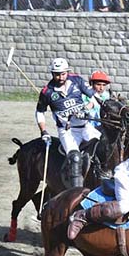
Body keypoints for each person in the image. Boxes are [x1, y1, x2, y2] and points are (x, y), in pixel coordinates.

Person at [35, 58, 98, 189]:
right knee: (75, 158)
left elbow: (93, 98)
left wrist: (86, 108)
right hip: (67, 131)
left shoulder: (77, 80)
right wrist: (44, 131)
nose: (60, 77)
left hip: (86, 126)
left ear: (67, 72)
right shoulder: (47, 92)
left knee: (102, 146)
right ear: (52, 74)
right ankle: (76, 192)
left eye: (63, 73)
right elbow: (39, 112)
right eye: (57, 74)